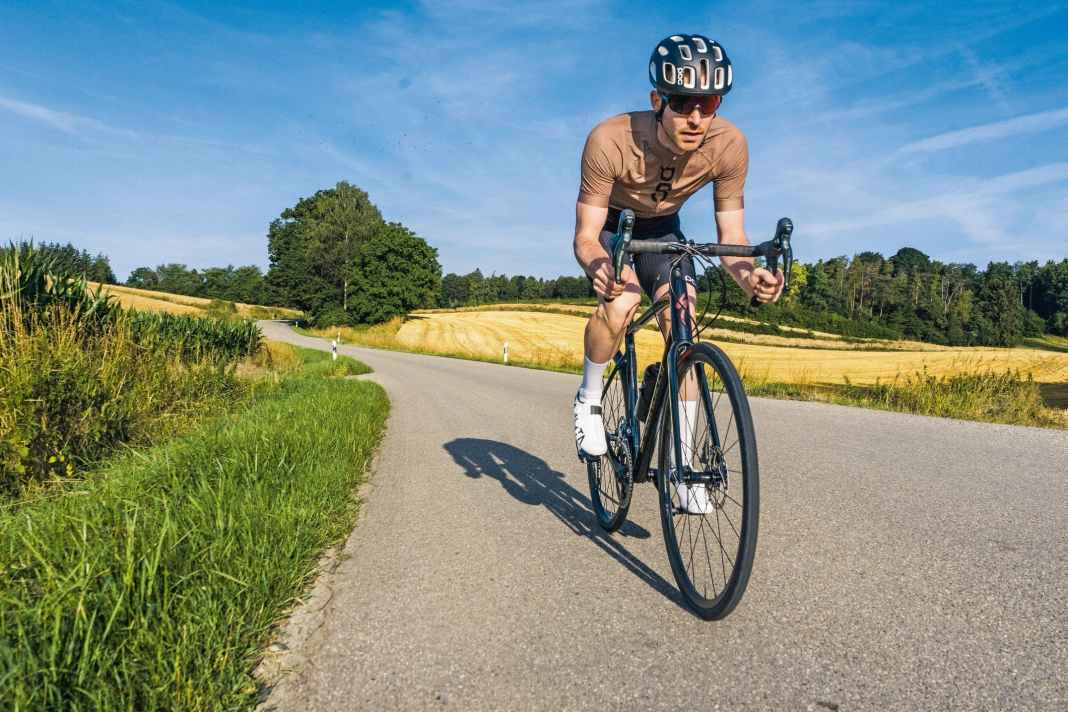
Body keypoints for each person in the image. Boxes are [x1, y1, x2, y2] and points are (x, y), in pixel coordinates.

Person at [571, 33, 784, 512]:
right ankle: (589, 396)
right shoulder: (609, 139)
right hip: (615, 228)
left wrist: (751, 277)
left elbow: (732, 237)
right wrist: (599, 265)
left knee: (682, 328)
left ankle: (683, 468)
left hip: (665, 232)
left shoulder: (730, 145)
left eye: (708, 104)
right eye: (683, 103)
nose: (695, 117)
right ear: (657, 101)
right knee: (622, 303)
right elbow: (585, 234)